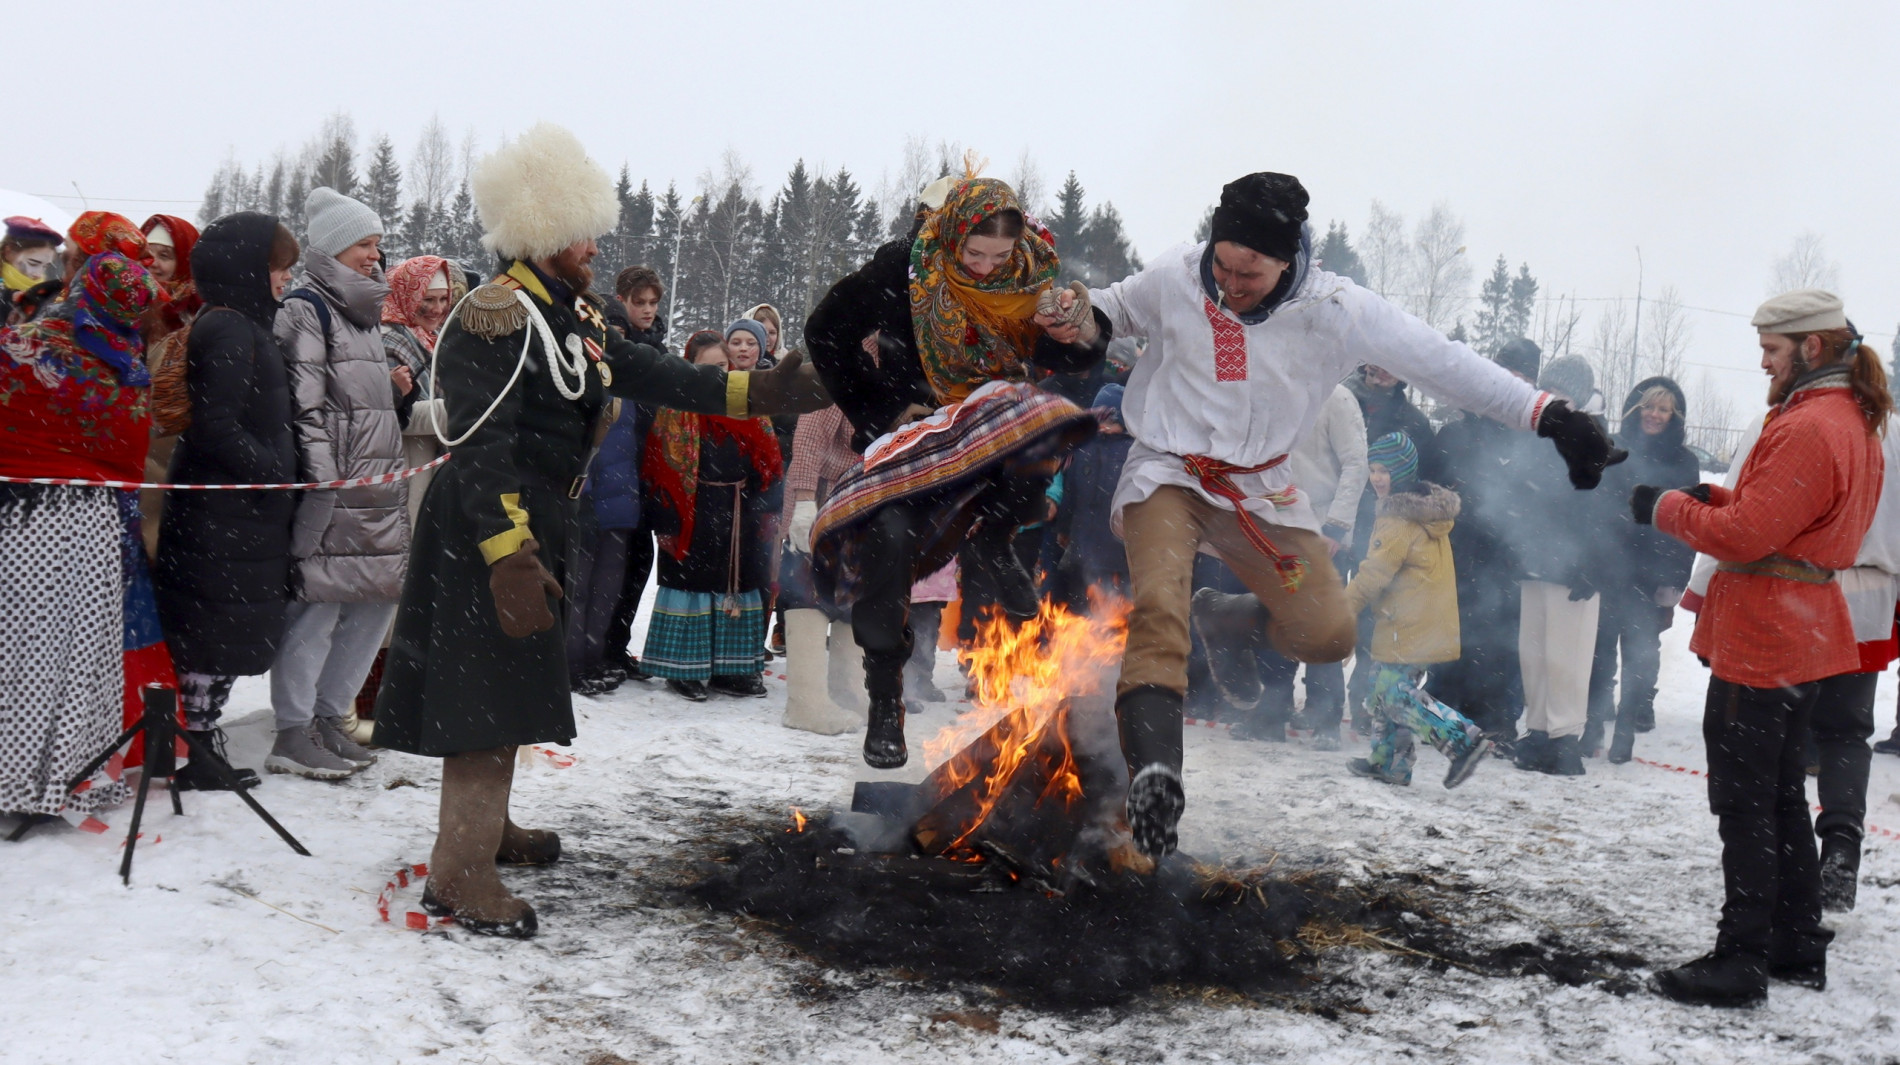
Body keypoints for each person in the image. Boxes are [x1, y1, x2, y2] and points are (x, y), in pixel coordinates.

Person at [371, 122, 829, 939]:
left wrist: (756, 392)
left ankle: (491, 829)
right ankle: (459, 869)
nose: (593, 244)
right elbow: (480, 448)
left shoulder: (568, 310)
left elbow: (653, 368)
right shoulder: (495, 313)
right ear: (544, 228)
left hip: (546, 513)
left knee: (511, 686)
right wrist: (508, 552)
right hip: (492, 520)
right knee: (484, 693)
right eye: (580, 229)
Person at [1095, 172, 1619, 858]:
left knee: (1328, 632)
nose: (1229, 281)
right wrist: (1077, 319)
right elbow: (1107, 308)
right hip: (1168, 469)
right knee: (1160, 603)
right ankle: (1157, 772)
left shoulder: (1338, 308)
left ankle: (1229, 617)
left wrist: (1550, 415)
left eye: (1249, 270)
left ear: (1288, 260)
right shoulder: (1175, 275)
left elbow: (1446, 364)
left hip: (1261, 489)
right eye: (1221, 263)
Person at [805, 173, 1109, 770]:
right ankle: (885, 695)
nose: (988, 266)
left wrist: (1080, 331)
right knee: (888, 537)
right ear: (950, 234)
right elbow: (826, 331)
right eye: (975, 253)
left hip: (987, 426)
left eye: (1000, 255)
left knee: (1043, 416)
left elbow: (1074, 362)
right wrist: (882, 407)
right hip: (915, 428)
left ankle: (997, 541)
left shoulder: (1032, 278)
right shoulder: (905, 269)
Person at [1636, 290, 1887, 1007]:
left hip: (1768, 632)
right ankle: (1796, 941)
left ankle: (1742, 955)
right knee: (1777, 793)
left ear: (1811, 347)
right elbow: (1776, 520)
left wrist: (1663, 507)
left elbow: (1749, 537)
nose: (1762, 361)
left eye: (1772, 349)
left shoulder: (1814, 423)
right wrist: (1707, 498)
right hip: (1796, 624)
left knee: (1745, 799)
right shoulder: (1848, 418)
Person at [1681, 390, 1900, 916]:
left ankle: (1784, 867)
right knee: (1845, 730)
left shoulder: (1787, 422)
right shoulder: (1888, 427)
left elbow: (1738, 513)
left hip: (1792, 595)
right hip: (1868, 597)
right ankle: (1840, 844)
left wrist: (1705, 591)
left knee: (1780, 741)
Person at [0, 251, 163, 819]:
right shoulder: (100, 352)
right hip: (59, 517)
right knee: (53, 652)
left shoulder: (32, 341)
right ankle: (33, 782)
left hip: (37, 518)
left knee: (44, 650)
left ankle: (47, 779)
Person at [154, 212, 303, 791]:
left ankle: (202, 743)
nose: (285, 279)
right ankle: (196, 749)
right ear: (249, 269)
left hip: (238, 512)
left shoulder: (243, 325)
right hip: (223, 512)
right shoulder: (230, 330)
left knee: (218, 631)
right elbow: (214, 426)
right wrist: (271, 473)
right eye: (278, 267)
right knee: (207, 632)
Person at [263, 188, 404, 780]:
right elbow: (306, 409)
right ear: (333, 248)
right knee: (316, 609)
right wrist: (325, 482)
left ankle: (327, 717)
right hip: (338, 489)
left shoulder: (365, 315)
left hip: (379, 489)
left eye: (376, 244)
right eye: (364, 245)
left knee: (375, 602)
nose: (375, 255)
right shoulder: (305, 309)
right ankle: (292, 730)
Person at [639, 332, 784, 700]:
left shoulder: (748, 407)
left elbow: (768, 464)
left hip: (740, 511)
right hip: (692, 510)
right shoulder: (674, 408)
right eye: (705, 368)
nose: (715, 377)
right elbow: (661, 470)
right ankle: (683, 668)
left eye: (721, 367)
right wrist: (667, 522)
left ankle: (732, 670)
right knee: (693, 582)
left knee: (738, 582)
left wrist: (766, 509)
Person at [1342, 433, 1493, 787]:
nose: (1377, 477)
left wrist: (1341, 608)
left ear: (1403, 472)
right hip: (1419, 618)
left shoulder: (1398, 519)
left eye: (1386, 470)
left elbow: (1373, 574)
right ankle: (1390, 762)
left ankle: (1463, 740)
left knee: (1394, 694)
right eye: (1373, 469)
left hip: (1406, 621)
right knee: (1382, 690)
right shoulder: (1424, 513)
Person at [1504, 355, 1613, 777]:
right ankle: (1537, 730)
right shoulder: (1536, 436)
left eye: (1564, 392)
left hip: (1575, 570)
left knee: (1567, 657)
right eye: (1552, 390)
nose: (1557, 400)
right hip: (1534, 562)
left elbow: (1607, 512)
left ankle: (1564, 737)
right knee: (1534, 653)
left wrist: (1593, 564)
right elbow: (1519, 499)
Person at [1584, 377, 1699, 761]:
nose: (1654, 414)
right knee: (1600, 652)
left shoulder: (1684, 462)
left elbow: (1689, 524)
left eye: (1663, 409)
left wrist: (1674, 582)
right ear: (1635, 408)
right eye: (1648, 406)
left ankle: (1627, 728)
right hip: (1609, 565)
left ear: (1674, 416)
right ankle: (1592, 724)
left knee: (1640, 652)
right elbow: (1594, 505)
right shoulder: (1612, 448)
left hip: (1652, 573)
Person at [1433, 338, 1542, 742]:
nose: (1513, 385)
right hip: (1457, 557)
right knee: (1452, 638)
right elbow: (1430, 491)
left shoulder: (1537, 441)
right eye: (1507, 376)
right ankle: (1446, 716)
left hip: (1510, 561)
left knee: (1500, 644)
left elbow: (1546, 503)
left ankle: (1496, 720)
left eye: (1523, 378)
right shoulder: (1454, 433)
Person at [780, 403, 873, 734]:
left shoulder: (900, 366)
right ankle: (804, 704)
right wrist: (805, 500)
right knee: (808, 592)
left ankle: (847, 692)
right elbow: (808, 437)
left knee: (853, 597)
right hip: (824, 497)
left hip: (862, 498)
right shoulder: (848, 359)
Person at [599, 265, 668, 682]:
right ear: (622, 299)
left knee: (640, 562)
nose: (646, 309)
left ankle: (618, 644)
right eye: (638, 301)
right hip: (618, 466)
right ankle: (599, 646)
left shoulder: (657, 345)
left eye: (653, 302)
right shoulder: (613, 341)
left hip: (649, 468)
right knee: (610, 566)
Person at [137, 215, 203, 557]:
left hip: (173, 458)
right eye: (146, 254)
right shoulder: (122, 308)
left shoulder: (196, 317)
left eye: (166, 255)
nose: (154, 264)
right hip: (130, 455)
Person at [1056, 383, 1137, 610]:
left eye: (1111, 421)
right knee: (1083, 606)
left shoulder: (1133, 451)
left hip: (1119, 548)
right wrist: (1063, 527)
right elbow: (1070, 492)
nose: (1103, 427)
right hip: (1084, 542)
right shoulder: (1082, 448)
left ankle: (1114, 640)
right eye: (1100, 420)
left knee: (1117, 607)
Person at [2, 215, 63, 296]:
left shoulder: (44, 297)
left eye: (45, 266)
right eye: (33, 264)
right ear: (8, 252)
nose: (39, 274)